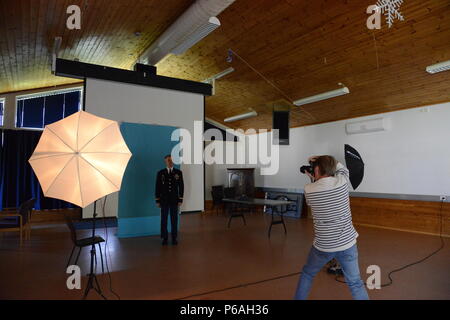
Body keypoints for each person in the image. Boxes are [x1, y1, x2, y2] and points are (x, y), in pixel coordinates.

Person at [294, 155, 369, 300]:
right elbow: (342, 169)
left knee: (308, 274)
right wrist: (325, 160)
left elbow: (313, 196)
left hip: (324, 246)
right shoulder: (342, 182)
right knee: (355, 283)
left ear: (316, 169)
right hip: (347, 243)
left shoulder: (308, 189)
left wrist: (313, 178)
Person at [155, 155, 184, 245]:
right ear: (165, 162)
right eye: (168, 160)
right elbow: (157, 187)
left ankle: (174, 237)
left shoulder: (178, 172)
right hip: (164, 200)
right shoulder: (161, 173)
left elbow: (181, 186)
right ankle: (164, 237)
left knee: (174, 219)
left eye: (171, 160)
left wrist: (180, 199)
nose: (170, 162)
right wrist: (157, 200)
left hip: (174, 200)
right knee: (164, 219)